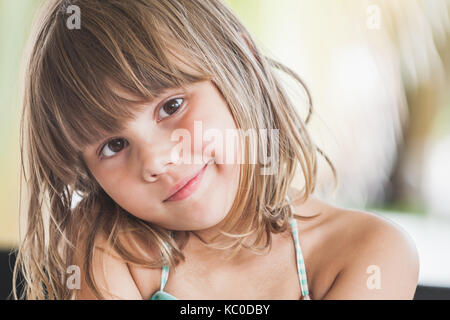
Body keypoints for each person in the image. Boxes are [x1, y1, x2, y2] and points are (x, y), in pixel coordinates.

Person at [14, 0, 419, 300]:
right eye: (113, 145)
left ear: (244, 63)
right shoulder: (108, 244)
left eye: (171, 106)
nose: (156, 160)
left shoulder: (368, 252)